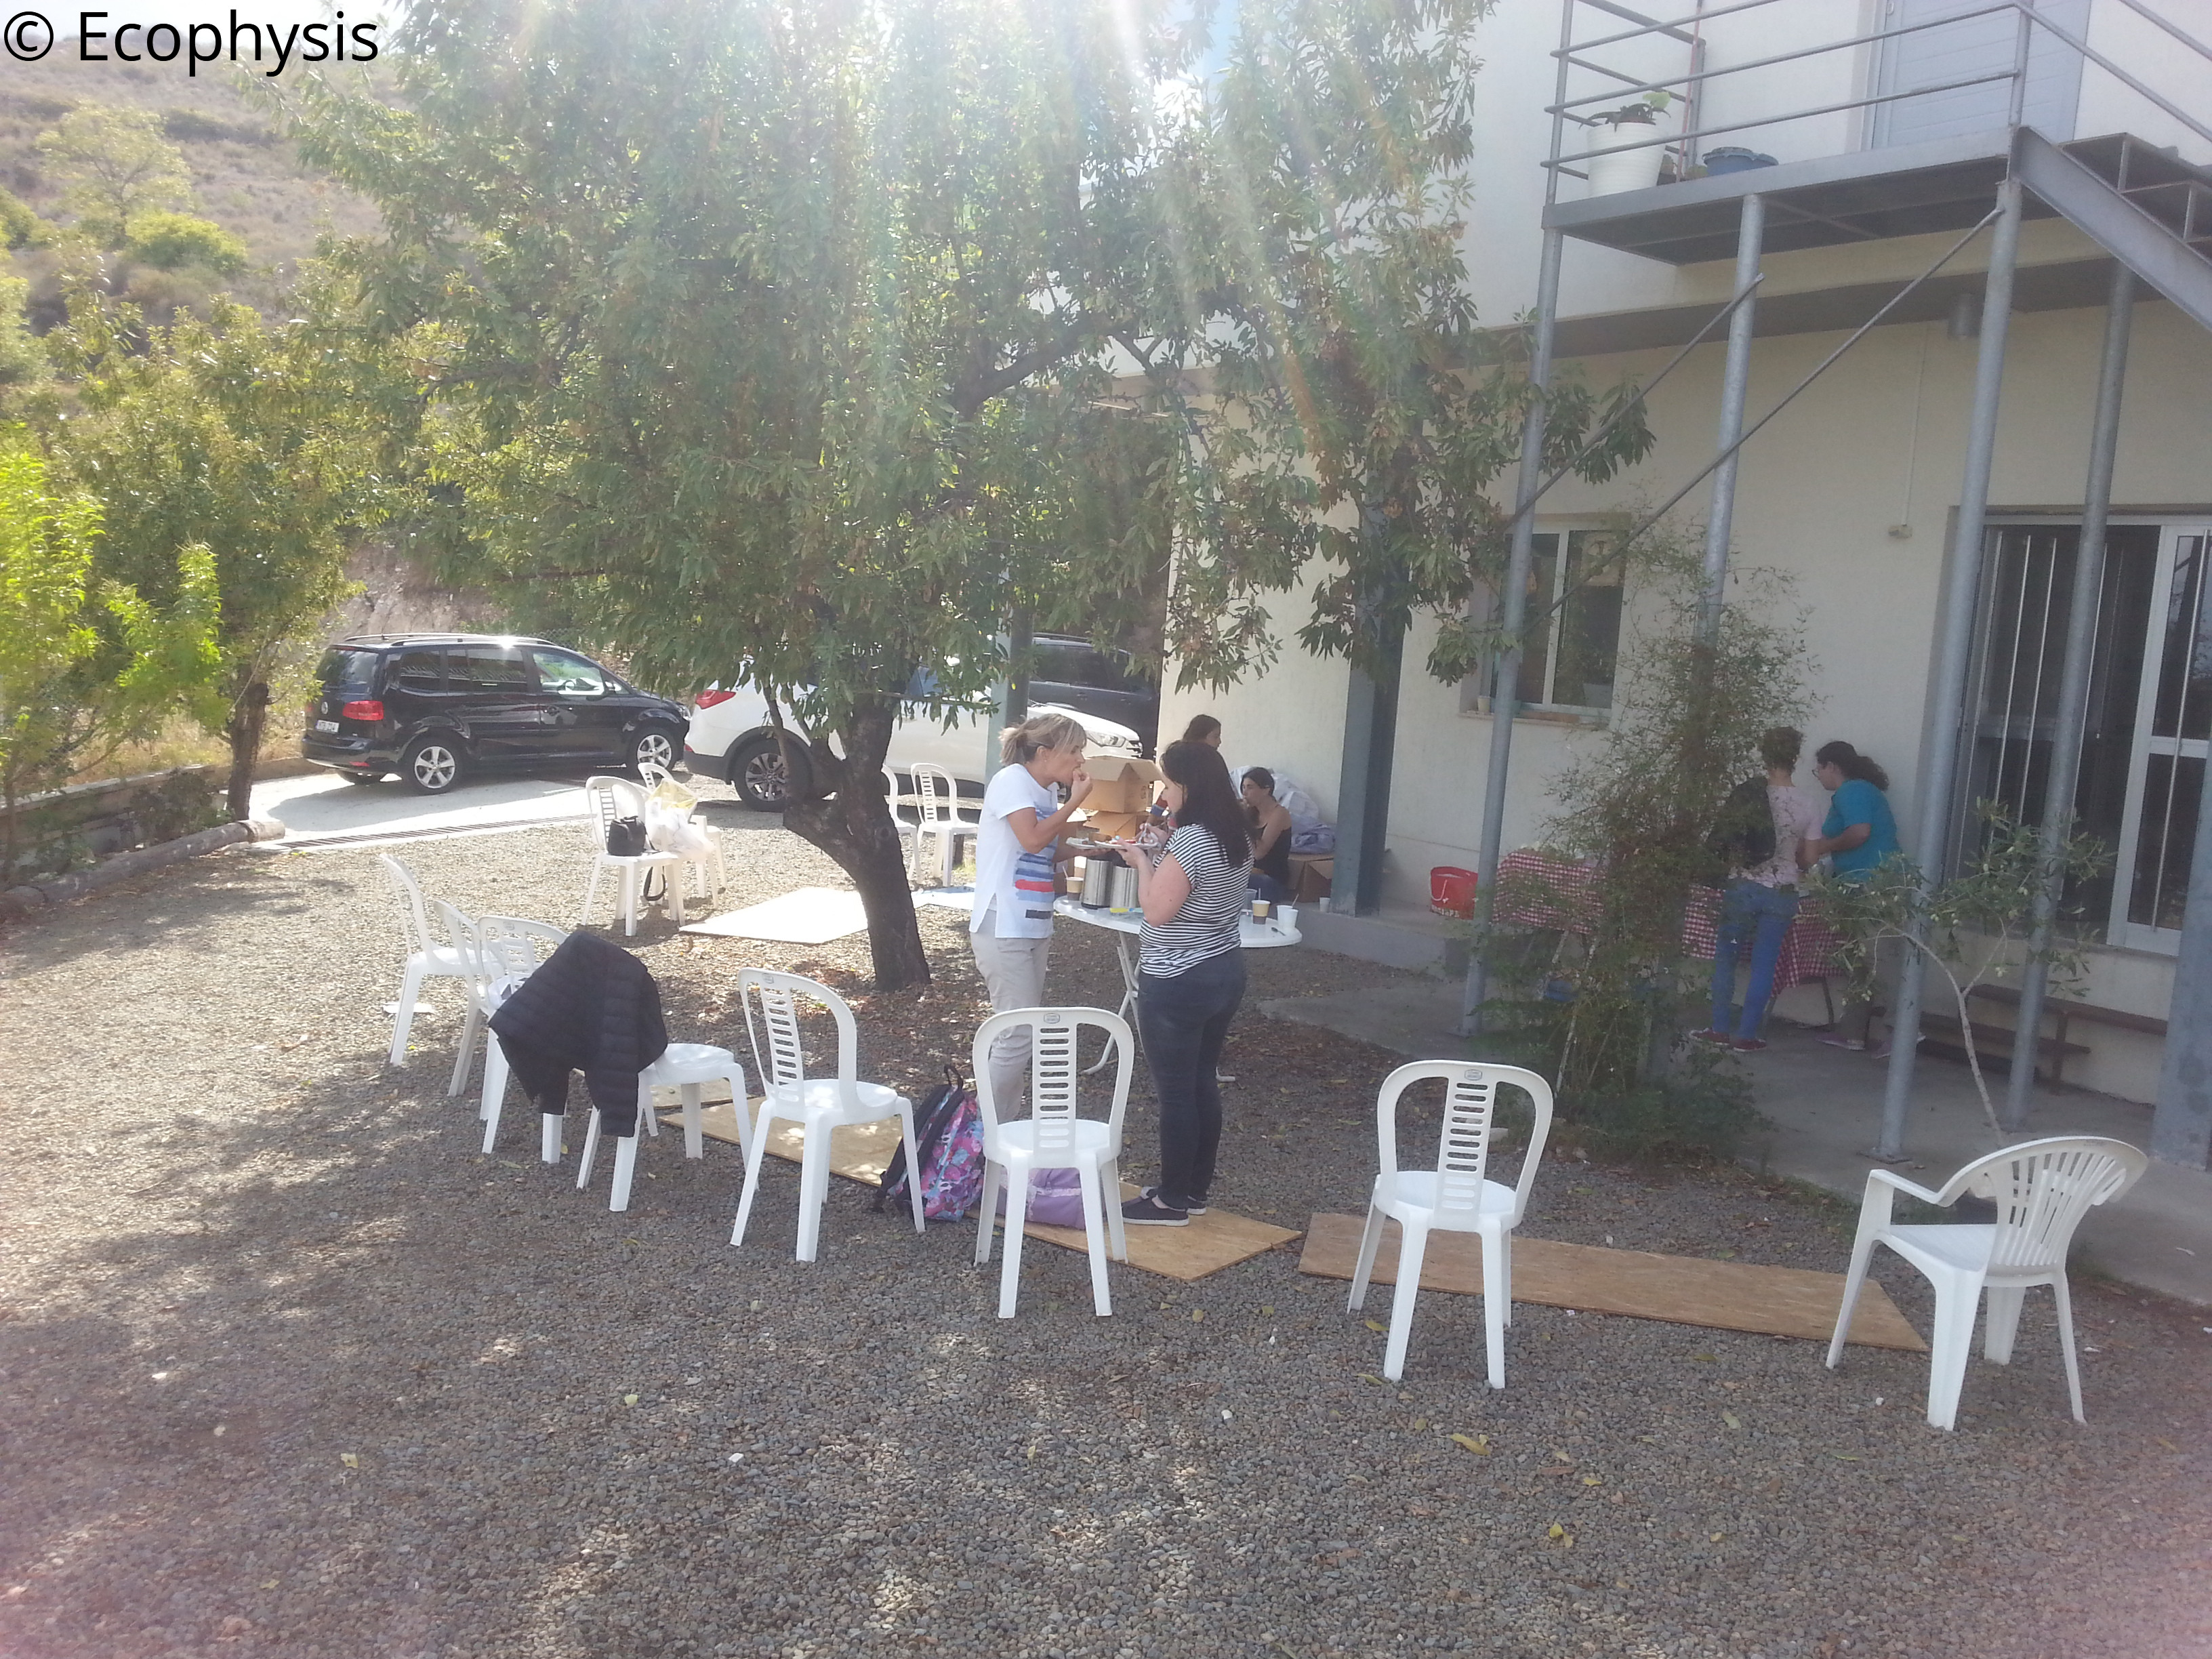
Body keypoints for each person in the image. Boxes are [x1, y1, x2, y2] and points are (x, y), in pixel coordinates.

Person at [1114, 739, 1252, 1226]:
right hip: (1224, 968)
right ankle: (1193, 1191)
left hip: (1177, 976)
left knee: (1176, 1093)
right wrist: (1163, 852)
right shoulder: (1235, 834)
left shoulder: (1192, 840)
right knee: (1201, 1082)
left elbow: (1157, 910)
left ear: (1189, 787)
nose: (1164, 795)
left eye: (1168, 785)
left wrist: (1142, 862)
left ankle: (1171, 1201)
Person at [970, 712, 1092, 1112]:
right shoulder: (1012, 781)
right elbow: (1032, 839)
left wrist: (1091, 850)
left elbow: (1043, 851)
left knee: (1023, 1030)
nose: (1080, 760)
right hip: (1002, 921)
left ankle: (1002, 1126)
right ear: (1044, 753)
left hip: (1034, 922)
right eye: (1075, 750)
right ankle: (985, 1129)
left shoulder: (1046, 792)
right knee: (1018, 1033)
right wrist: (1075, 802)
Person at [1696, 729, 1824, 1052]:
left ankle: (1719, 1029)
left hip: (1743, 886)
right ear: (1795, 758)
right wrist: (1791, 859)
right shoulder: (1808, 803)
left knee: (1727, 958)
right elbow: (1810, 858)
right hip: (1783, 891)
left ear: (1764, 756)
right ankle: (1747, 1035)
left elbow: (1726, 839)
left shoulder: (1748, 795)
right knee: (1764, 963)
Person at [1803, 739, 1902, 1054]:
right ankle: (1852, 1031)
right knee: (1858, 959)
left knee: (1879, 955)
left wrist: (1824, 847)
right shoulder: (1857, 792)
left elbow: (1860, 832)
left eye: (1818, 769)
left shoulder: (1853, 790)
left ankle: (1901, 1030)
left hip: (1873, 883)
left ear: (1832, 766)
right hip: (1856, 883)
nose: (1818, 776)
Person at [1241, 766, 1295, 904]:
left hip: (1271, 880)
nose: (1245, 793)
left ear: (1266, 790)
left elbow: (1259, 853)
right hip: (1249, 873)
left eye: (1250, 787)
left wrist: (1243, 820)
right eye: (1243, 788)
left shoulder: (1280, 814)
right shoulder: (1252, 813)